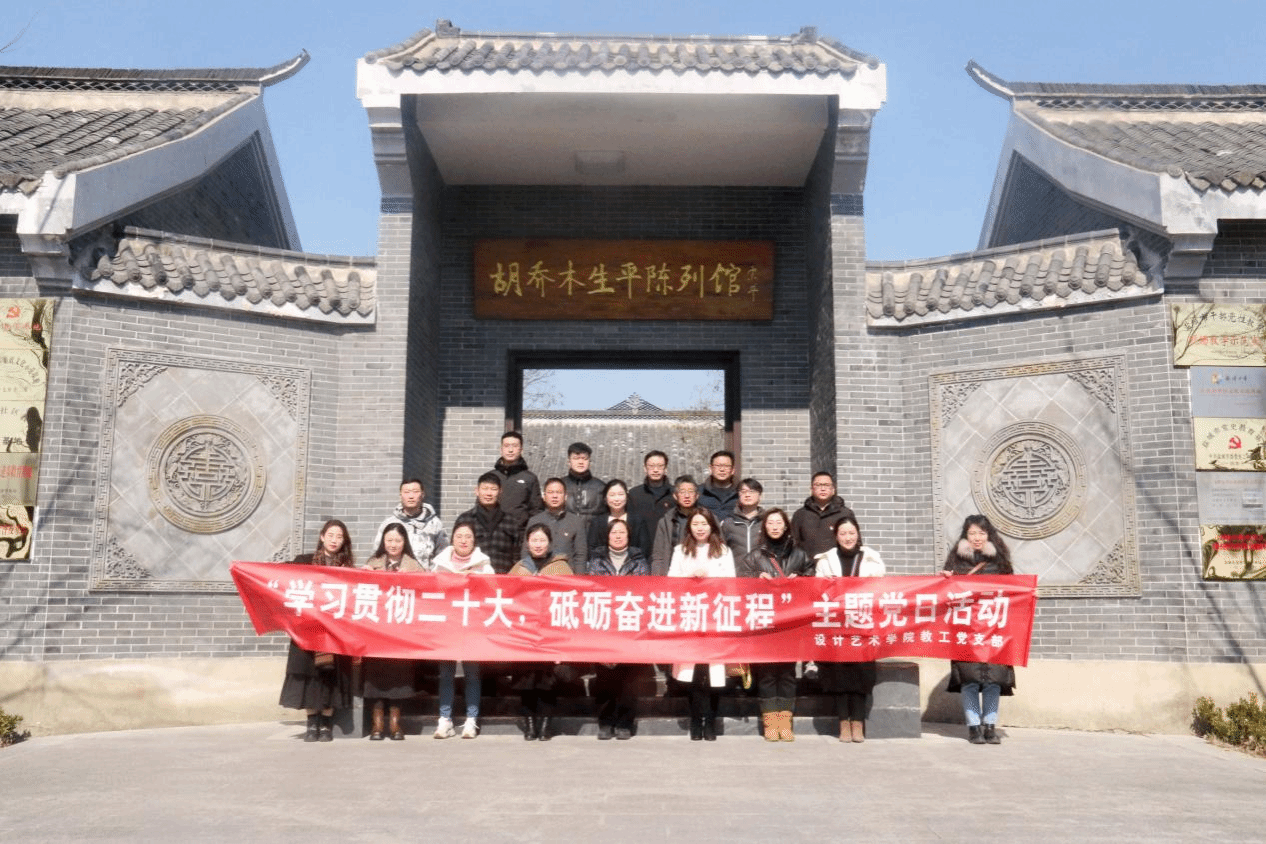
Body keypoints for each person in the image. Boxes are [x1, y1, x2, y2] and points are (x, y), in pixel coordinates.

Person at [738, 508, 812, 741]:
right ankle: (770, 722)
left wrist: (801, 580)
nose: (775, 526)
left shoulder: (800, 555)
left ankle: (785, 722)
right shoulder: (754, 557)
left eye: (779, 522)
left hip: (791, 623)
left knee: (788, 673)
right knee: (767, 674)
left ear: (786, 526)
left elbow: (814, 581)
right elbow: (740, 584)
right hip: (765, 623)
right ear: (764, 527)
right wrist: (756, 579)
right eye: (770, 522)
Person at [942, 514, 1016, 745]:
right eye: (972, 533)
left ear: (988, 535)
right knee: (970, 681)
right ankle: (974, 727)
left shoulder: (1000, 562)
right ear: (965, 536)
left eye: (981, 533)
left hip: (994, 630)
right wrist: (945, 580)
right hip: (967, 631)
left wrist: (1030, 593)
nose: (977, 538)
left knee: (993, 681)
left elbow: (1014, 591)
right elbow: (946, 595)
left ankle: (990, 726)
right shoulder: (956, 562)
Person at [278, 519, 355, 742]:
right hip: (306, 631)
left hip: (333, 633)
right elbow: (280, 576)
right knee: (309, 676)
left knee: (331, 677)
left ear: (344, 541)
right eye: (330, 535)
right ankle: (312, 724)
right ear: (322, 537)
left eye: (339, 537)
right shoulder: (304, 561)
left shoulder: (347, 569)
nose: (334, 540)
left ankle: (327, 724)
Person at [814, 514, 885, 743]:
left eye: (851, 533)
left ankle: (858, 722)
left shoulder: (871, 559)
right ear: (836, 536)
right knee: (840, 676)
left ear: (858, 534)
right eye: (843, 533)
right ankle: (843, 722)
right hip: (837, 625)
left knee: (861, 675)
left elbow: (881, 588)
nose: (847, 537)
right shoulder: (825, 560)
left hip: (863, 624)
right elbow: (818, 590)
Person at [668, 508, 736, 741]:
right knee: (694, 674)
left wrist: (711, 578)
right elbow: (671, 581)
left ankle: (711, 721)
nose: (700, 528)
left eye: (704, 524)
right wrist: (690, 577)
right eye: (695, 523)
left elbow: (731, 582)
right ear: (689, 527)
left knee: (714, 673)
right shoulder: (680, 551)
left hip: (715, 616)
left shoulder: (724, 551)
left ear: (712, 526)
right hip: (690, 616)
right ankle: (696, 720)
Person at [429, 518, 494, 739]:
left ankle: (471, 720)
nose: (463, 540)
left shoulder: (484, 565)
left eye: (468, 536)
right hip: (447, 625)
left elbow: (492, 593)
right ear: (452, 539)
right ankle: (445, 719)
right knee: (446, 673)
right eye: (459, 536)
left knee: (472, 673)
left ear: (474, 541)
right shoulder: (439, 564)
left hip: (473, 626)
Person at [587, 520, 651, 740]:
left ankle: (625, 723)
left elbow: (644, 590)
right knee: (605, 677)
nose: (617, 536)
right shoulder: (596, 561)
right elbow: (591, 589)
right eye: (613, 532)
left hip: (629, 624)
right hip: (604, 624)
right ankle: (605, 722)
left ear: (628, 536)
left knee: (628, 680)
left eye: (622, 532)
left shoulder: (639, 560)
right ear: (607, 536)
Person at [509, 523, 573, 741]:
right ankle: (529, 724)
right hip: (525, 633)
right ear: (527, 543)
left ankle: (546, 724)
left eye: (542, 540)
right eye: (534, 540)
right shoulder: (519, 568)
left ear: (550, 543)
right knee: (525, 680)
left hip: (551, 634)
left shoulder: (561, 567)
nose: (538, 544)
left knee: (548, 682)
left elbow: (571, 598)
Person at [361, 523, 422, 741]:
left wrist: (413, 579)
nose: (393, 544)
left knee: (398, 677)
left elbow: (426, 594)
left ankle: (395, 722)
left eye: (397, 540)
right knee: (375, 676)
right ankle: (377, 723)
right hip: (376, 632)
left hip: (400, 634)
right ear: (383, 542)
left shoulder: (414, 566)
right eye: (389, 540)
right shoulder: (373, 563)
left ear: (404, 542)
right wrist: (364, 575)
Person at [371, 478, 446, 565]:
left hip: (426, 573)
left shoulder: (434, 524)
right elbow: (377, 554)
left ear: (422, 494)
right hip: (397, 572)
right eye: (406, 492)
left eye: (415, 492)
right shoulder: (389, 524)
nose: (411, 496)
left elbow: (443, 555)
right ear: (400, 496)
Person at [458, 471, 520, 574]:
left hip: (503, 578)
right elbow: (456, 552)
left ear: (500, 492)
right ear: (477, 491)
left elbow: (517, 556)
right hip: (473, 578)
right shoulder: (465, 519)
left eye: (493, 489)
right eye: (485, 488)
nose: (489, 493)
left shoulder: (510, 521)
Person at [524, 477, 588, 572]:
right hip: (539, 574)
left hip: (566, 574)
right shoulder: (534, 521)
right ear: (544, 496)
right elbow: (526, 551)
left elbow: (580, 555)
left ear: (565, 496)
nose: (554, 496)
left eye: (558, 492)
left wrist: (579, 577)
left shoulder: (576, 522)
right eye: (550, 492)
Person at [493, 430, 543, 541]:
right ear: (501, 449)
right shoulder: (491, 477)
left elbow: (536, 510)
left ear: (521, 450)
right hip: (494, 534)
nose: (510, 450)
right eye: (506, 446)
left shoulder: (530, 478)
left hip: (520, 535)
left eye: (515, 446)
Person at [791, 471, 854, 557]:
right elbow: (793, 544)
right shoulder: (800, 515)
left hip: (837, 564)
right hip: (808, 564)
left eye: (827, 485)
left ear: (833, 489)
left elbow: (855, 542)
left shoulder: (845, 514)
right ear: (811, 489)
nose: (823, 489)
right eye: (818, 485)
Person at [586, 478, 651, 559]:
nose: (616, 499)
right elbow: (592, 548)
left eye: (620, 494)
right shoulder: (597, 522)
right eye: (612, 495)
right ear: (605, 498)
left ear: (626, 497)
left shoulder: (638, 521)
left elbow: (644, 549)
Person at [650, 475, 701, 576]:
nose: (687, 496)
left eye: (691, 491)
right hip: (673, 574)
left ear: (697, 495)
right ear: (675, 495)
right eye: (682, 492)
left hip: (701, 575)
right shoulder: (666, 521)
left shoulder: (708, 519)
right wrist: (657, 578)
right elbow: (658, 556)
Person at [722, 477, 765, 560]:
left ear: (760, 496)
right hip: (736, 567)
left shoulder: (766, 521)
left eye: (751, 491)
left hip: (761, 568)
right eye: (743, 491)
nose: (747, 495)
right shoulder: (728, 523)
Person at [627, 450, 672, 528]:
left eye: (660, 466)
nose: (655, 470)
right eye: (651, 466)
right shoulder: (634, 494)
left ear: (666, 469)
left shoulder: (675, 494)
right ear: (645, 468)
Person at [562, 441, 606, 519]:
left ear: (589, 462)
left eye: (584, 458)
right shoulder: (561, 485)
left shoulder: (601, 487)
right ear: (569, 462)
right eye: (576, 458)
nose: (580, 462)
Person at [698, 450, 740, 520]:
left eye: (726, 466)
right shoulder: (700, 492)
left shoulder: (741, 492)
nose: (722, 469)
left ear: (733, 470)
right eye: (718, 466)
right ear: (710, 469)